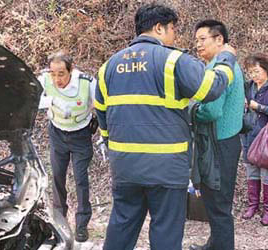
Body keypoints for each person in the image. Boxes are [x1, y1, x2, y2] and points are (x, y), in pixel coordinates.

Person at [95, 4, 237, 250]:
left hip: (125, 167)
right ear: (159, 28)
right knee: (166, 233)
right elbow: (211, 88)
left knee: (121, 226)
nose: (174, 36)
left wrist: (117, 149)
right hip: (166, 169)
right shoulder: (173, 60)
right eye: (172, 29)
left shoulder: (108, 67)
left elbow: (102, 117)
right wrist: (226, 58)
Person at [189, 20, 245, 250]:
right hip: (225, 141)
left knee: (219, 204)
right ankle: (214, 244)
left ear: (219, 39)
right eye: (196, 41)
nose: (198, 45)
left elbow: (212, 110)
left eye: (203, 39)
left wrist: (191, 111)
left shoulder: (219, 69)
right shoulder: (221, 65)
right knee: (215, 201)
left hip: (219, 144)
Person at [37, 50, 96, 242]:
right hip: (57, 134)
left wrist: (103, 130)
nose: (56, 78)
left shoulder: (86, 83)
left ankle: (82, 224)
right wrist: (52, 100)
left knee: (80, 179)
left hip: (80, 134)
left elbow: (102, 106)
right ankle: (59, 222)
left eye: (61, 73)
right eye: (53, 73)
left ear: (71, 70)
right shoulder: (45, 80)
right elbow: (30, 98)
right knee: (57, 177)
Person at [241, 53, 268, 226]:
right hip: (248, 134)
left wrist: (259, 107)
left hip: (266, 136)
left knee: (267, 174)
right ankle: (253, 206)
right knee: (251, 172)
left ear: (266, 69)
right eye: (251, 72)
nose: (254, 75)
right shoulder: (248, 86)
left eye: (257, 71)